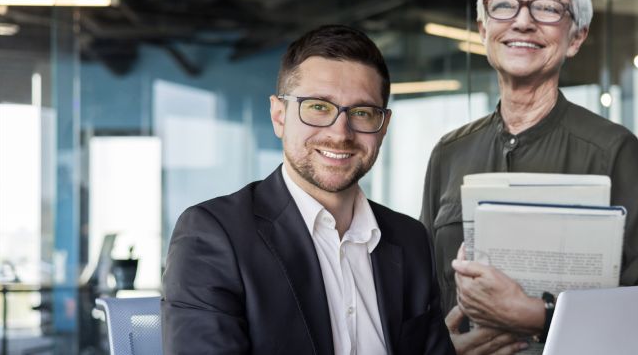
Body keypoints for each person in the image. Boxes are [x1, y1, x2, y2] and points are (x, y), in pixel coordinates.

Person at [419, 0, 638, 353]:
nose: (522, 21)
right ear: (483, 29)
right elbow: (419, 295)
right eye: (504, 4)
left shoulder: (612, 151)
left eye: (546, 7)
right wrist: (442, 347)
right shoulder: (449, 153)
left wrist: (539, 316)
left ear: (576, 37)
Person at [162, 24, 455, 355]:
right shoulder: (214, 235)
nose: (340, 134)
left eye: (361, 112)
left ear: (383, 126)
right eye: (318, 107)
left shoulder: (410, 239)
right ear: (279, 116)